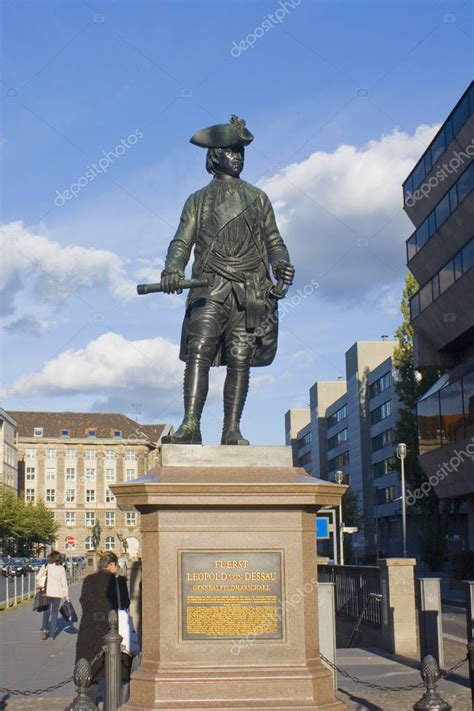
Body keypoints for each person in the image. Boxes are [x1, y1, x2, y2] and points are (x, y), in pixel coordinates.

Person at [160, 115, 294, 445]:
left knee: (239, 357)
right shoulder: (197, 200)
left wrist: (282, 264)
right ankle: (190, 424)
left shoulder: (258, 198)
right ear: (215, 155)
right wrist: (172, 268)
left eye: (241, 153)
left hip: (249, 289)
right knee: (199, 350)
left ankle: (231, 428)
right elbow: (182, 241)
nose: (238, 158)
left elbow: (274, 240)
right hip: (209, 285)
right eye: (232, 152)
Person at [76, 552, 131, 705]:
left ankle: (88, 705)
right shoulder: (118, 582)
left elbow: (84, 602)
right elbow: (125, 603)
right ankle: (111, 705)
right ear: (112, 565)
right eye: (116, 566)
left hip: (89, 631)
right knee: (113, 674)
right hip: (112, 631)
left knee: (90, 674)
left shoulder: (88, 580)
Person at [36, 550, 69, 641]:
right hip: (57, 594)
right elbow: (64, 583)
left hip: (47, 592)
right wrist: (66, 595)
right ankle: (51, 635)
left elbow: (37, 577)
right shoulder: (61, 568)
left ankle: (44, 630)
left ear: (51, 557)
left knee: (46, 612)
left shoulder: (46, 566)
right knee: (54, 613)